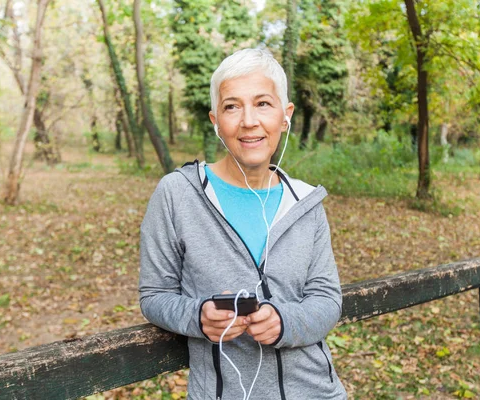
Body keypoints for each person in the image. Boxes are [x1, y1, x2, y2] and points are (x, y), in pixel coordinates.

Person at [139, 48, 347, 400]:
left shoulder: (306, 203)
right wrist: (198, 316)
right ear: (215, 120)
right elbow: (154, 295)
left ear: (285, 115)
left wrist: (285, 322)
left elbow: (327, 299)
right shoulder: (177, 194)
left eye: (263, 103)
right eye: (232, 106)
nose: (248, 120)